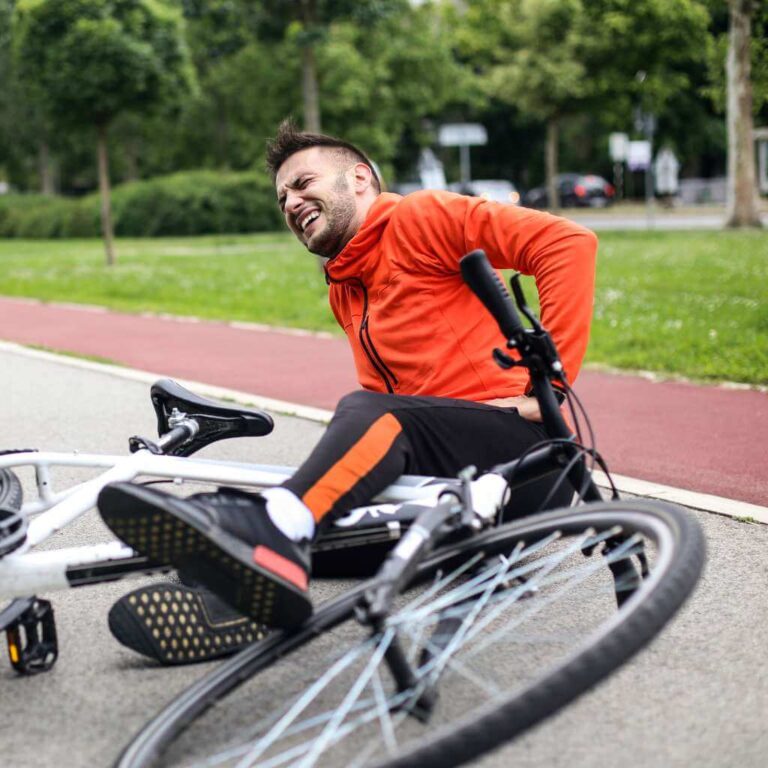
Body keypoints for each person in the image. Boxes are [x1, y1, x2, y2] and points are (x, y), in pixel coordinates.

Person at [98, 120, 597, 662]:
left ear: (359, 179)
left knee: (352, 427)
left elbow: (567, 243)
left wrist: (548, 387)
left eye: (303, 183)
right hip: (439, 490)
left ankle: (278, 523)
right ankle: (233, 609)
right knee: (221, 534)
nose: (291, 202)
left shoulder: (421, 216)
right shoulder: (345, 286)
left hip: (520, 463)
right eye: (282, 197)